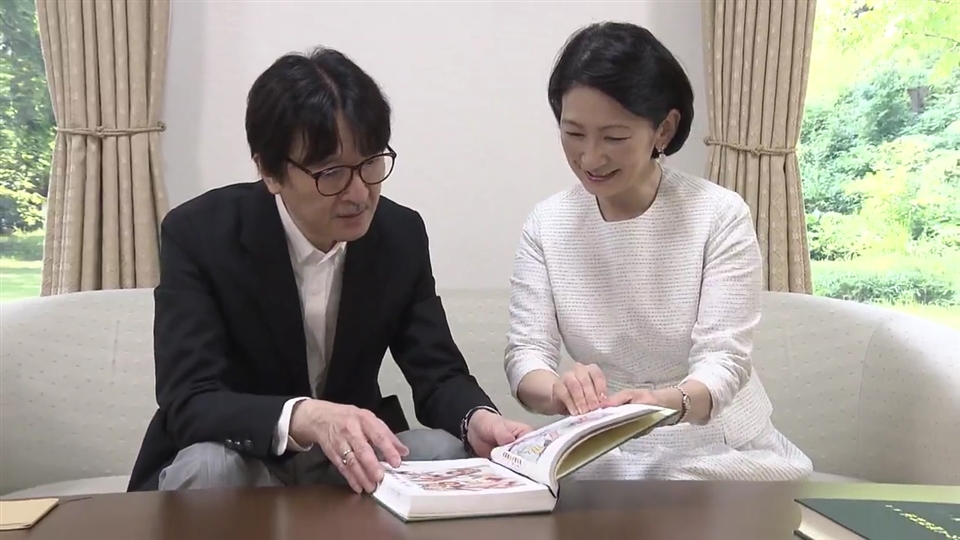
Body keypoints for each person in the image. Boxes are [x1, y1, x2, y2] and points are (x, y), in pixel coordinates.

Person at [127, 46, 531, 494]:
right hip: (241, 454)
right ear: (270, 171)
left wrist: (477, 419)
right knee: (208, 470)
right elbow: (190, 398)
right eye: (332, 173)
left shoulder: (399, 234)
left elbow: (437, 372)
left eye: (371, 163)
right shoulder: (200, 234)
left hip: (346, 460)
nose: (359, 194)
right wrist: (305, 416)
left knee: (446, 451)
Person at [503, 22, 813, 481]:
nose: (590, 158)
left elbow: (724, 360)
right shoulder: (547, 225)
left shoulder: (718, 215)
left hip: (717, 445)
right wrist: (558, 390)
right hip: (604, 444)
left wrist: (665, 404)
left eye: (614, 137)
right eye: (573, 133)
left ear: (664, 129)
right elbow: (526, 354)